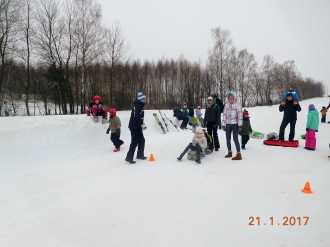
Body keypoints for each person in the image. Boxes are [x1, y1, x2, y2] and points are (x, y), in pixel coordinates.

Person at [125, 92, 147, 164]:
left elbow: (139, 117)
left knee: (141, 140)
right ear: (141, 100)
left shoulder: (139, 106)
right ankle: (129, 157)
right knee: (134, 142)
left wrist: (141, 124)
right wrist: (142, 124)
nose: (145, 100)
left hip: (137, 126)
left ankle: (140, 155)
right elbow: (137, 117)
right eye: (144, 99)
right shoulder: (138, 106)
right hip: (134, 127)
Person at [222, 92, 243, 160]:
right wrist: (223, 124)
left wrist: (240, 125)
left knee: (235, 139)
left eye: (231, 97)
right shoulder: (226, 105)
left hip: (235, 124)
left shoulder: (237, 105)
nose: (230, 98)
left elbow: (240, 116)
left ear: (234, 97)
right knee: (228, 139)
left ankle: (239, 154)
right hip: (228, 124)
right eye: (229, 97)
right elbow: (224, 115)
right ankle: (229, 152)